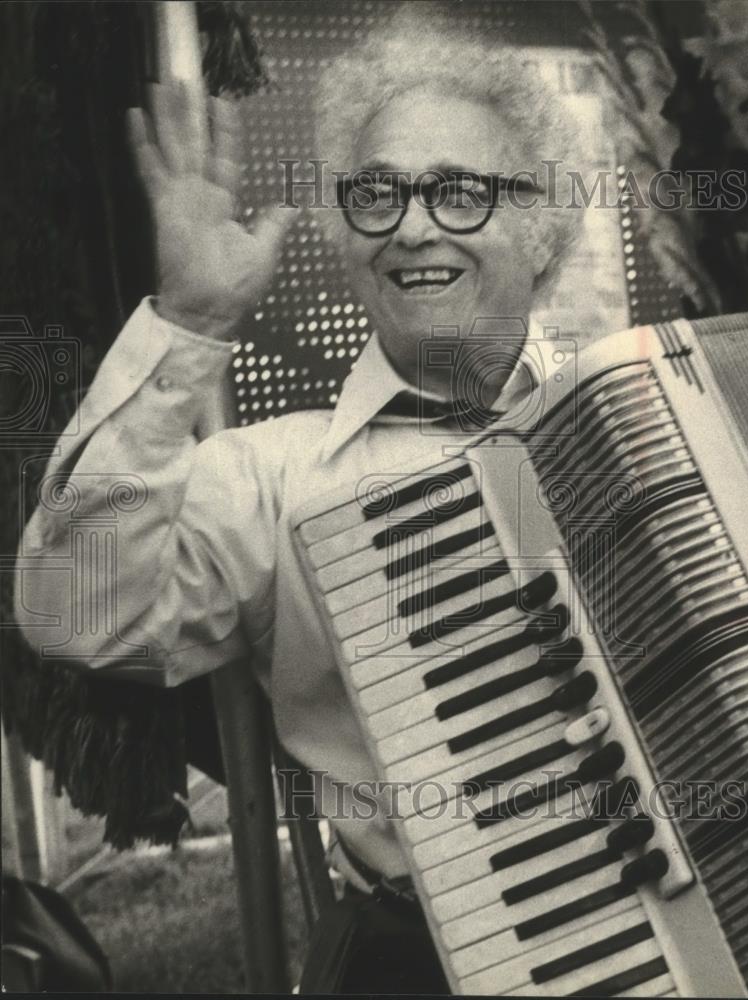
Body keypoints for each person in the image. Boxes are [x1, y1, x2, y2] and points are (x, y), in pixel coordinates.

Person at [15, 16, 581, 993]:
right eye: (377, 195)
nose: (410, 225)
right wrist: (187, 323)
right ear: (349, 242)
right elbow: (73, 607)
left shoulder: (638, 415)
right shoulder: (273, 473)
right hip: (428, 956)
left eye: (456, 190)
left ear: (538, 226)